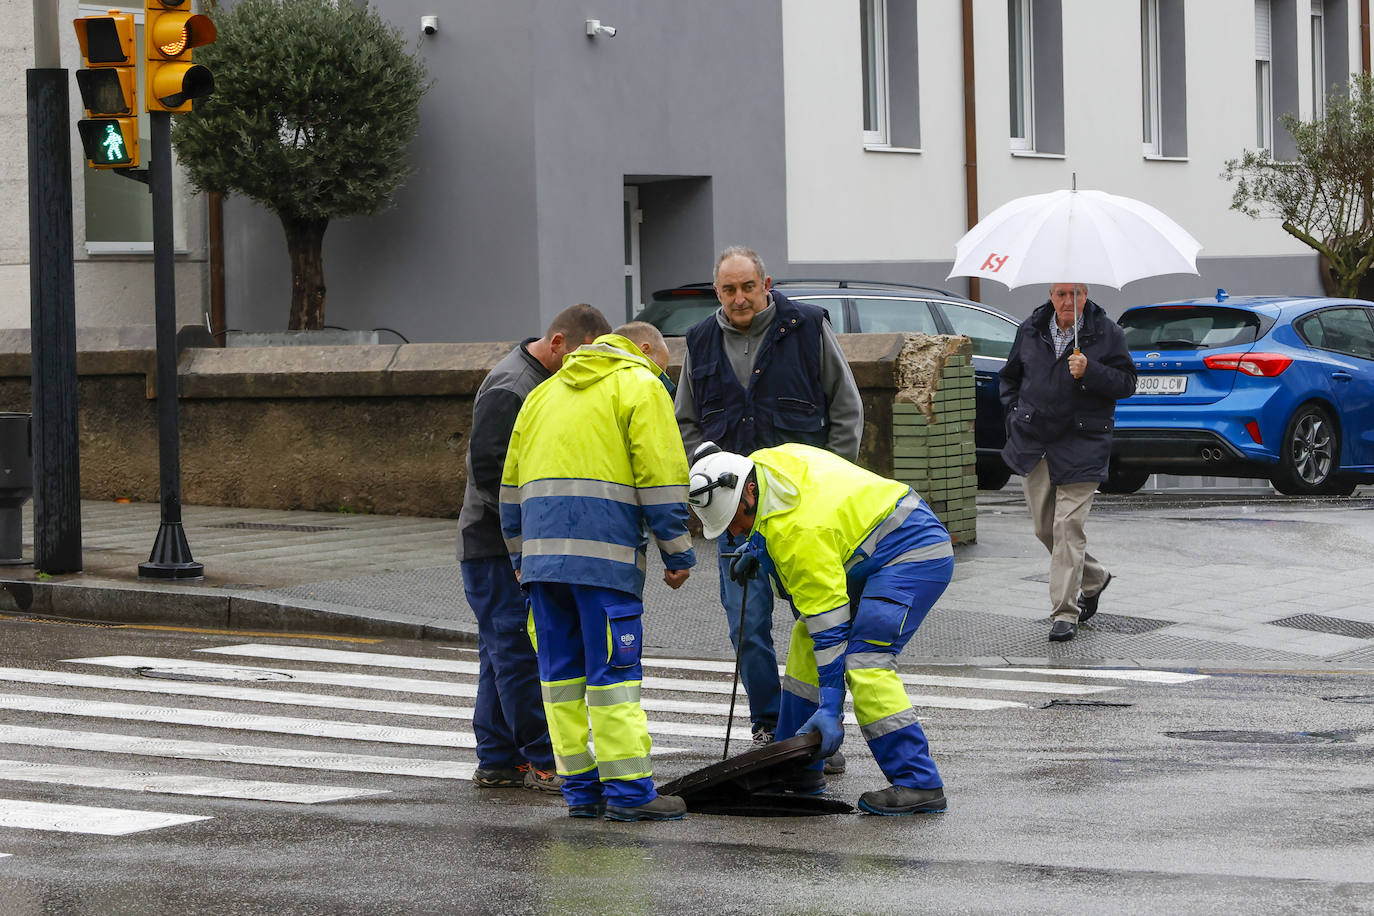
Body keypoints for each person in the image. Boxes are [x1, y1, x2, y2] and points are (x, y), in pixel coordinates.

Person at [686, 441, 954, 815]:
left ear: (748, 490)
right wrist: (759, 547)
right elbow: (793, 508)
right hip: (870, 546)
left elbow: (829, 628)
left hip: (913, 553)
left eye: (734, 519)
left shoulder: (798, 533)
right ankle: (796, 768)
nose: (733, 530)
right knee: (804, 636)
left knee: (866, 661)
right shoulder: (760, 465)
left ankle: (918, 783)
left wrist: (832, 708)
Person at [500, 322, 695, 822]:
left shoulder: (542, 395)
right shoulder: (640, 386)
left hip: (543, 568)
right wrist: (677, 553)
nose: (662, 376)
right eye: (663, 367)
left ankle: (581, 793)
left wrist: (522, 560)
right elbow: (662, 477)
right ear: (645, 349)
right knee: (613, 679)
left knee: (560, 679)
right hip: (605, 564)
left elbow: (510, 488)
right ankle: (630, 792)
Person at [675, 246, 863, 754]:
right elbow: (685, 423)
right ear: (717, 292)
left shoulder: (806, 326)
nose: (739, 298)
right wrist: (706, 464)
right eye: (728, 290)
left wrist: (835, 481)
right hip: (736, 516)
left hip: (804, 513)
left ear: (766, 284)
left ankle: (820, 731)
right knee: (746, 624)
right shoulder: (700, 341)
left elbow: (846, 408)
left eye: (747, 288)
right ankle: (767, 724)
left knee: (817, 623)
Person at [458, 304, 612, 791]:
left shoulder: (533, 380)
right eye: (582, 357)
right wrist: (520, 542)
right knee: (517, 651)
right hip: (495, 544)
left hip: (495, 542)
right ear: (560, 343)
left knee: (498, 652)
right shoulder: (513, 388)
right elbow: (490, 473)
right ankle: (546, 758)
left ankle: (498, 757)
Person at [999, 282, 1137, 642]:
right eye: (1061, 294)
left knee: (1067, 529)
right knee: (1046, 530)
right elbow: (1010, 377)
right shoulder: (1029, 329)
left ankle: (1065, 612)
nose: (1067, 302)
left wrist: (1090, 370)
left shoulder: (1107, 333)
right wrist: (1015, 414)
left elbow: (1127, 383)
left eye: (1074, 294)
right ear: (1050, 295)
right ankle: (1093, 577)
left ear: (1086, 295)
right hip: (1035, 441)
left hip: (1083, 441)